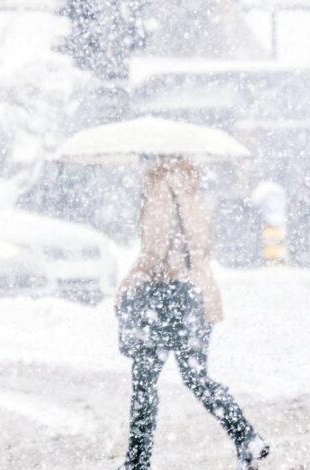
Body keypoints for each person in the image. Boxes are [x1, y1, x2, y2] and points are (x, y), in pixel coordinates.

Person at [115, 158, 268, 470]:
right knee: (197, 376)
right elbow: (198, 246)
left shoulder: (159, 188)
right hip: (198, 293)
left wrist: (128, 282)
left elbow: (154, 254)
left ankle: (137, 461)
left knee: (144, 380)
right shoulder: (190, 190)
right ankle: (246, 437)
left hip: (166, 297)